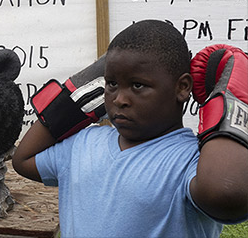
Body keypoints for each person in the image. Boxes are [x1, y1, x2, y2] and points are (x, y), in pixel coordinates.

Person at [13, 19, 248, 237]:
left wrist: (234, 101)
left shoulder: (191, 160)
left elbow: (226, 193)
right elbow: (23, 159)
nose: (119, 99)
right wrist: (71, 101)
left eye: (137, 85)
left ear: (182, 87)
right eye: (111, 83)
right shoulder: (83, 144)